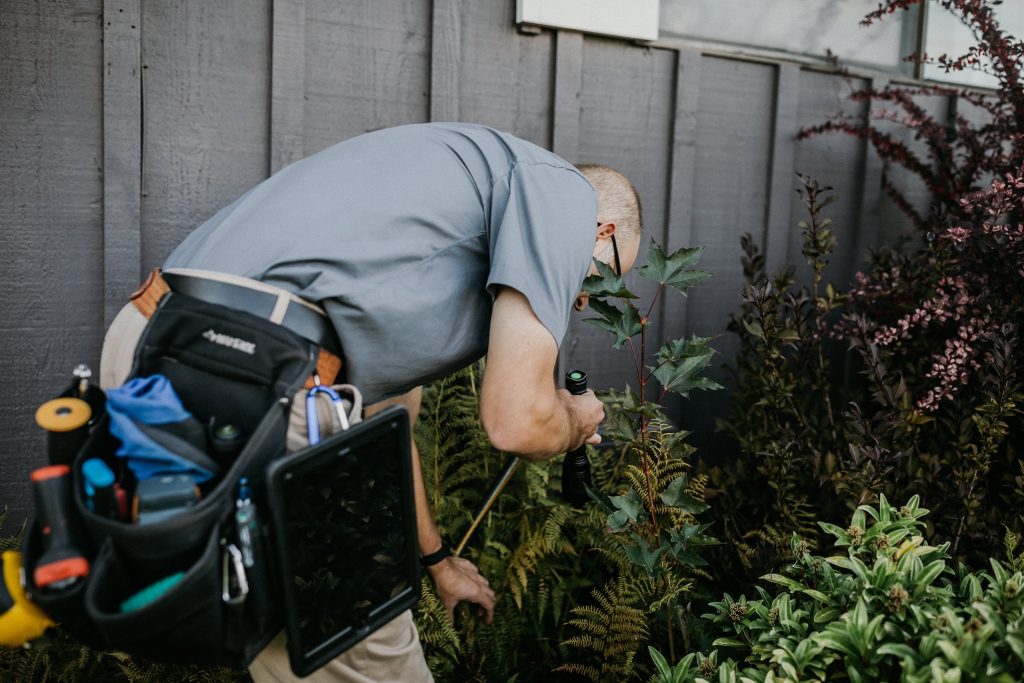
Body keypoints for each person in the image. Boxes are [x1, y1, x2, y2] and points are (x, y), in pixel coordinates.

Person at [99, 122, 643, 682]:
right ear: (599, 231)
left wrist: (436, 560)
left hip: (150, 342)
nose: (582, 300)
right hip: (258, 368)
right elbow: (515, 424)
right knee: (374, 657)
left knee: (288, 653)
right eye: (602, 278)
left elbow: (383, 431)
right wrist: (575, 420)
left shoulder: (402, 263)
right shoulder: (559, 190)